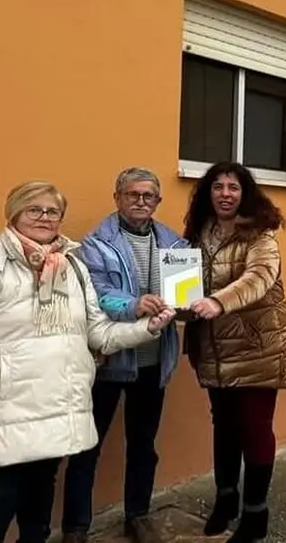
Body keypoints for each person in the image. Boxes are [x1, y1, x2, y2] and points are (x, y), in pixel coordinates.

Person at [0, 181, 176, 543]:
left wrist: (147, 328)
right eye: (35, 209)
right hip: (8, 408)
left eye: (52, 211)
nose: (45, 218)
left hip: (58, 405)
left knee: (39, 502)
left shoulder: (72, 267)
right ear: (14, 213)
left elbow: (98, 332)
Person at [61, 168, 188, 543]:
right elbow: (96, 296)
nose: (141, 202)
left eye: (149, 196)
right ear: (117, 197)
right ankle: (76, 528)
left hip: (153, 361)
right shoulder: (95, 245)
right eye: (133, 195)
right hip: (109, 362)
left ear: (158, 202)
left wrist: (190, 304)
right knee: (87, 447)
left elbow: (185, 293)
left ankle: (138, 515)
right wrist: (134, 304)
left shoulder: (174, 244)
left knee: (143, 446)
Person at [182, 162, 286, 543]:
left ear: (245, 194)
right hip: (214, 347)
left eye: (233, 187)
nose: (226, 194)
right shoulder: (200, 234)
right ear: (208, 193)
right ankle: (226, 500)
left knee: (254, 428)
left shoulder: (261, 236)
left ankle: (255, 515)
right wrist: (176, 304)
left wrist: (218, 302)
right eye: (218, 187)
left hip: (257, 346)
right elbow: (186, 284)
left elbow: (259, 279)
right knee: (224, 426)